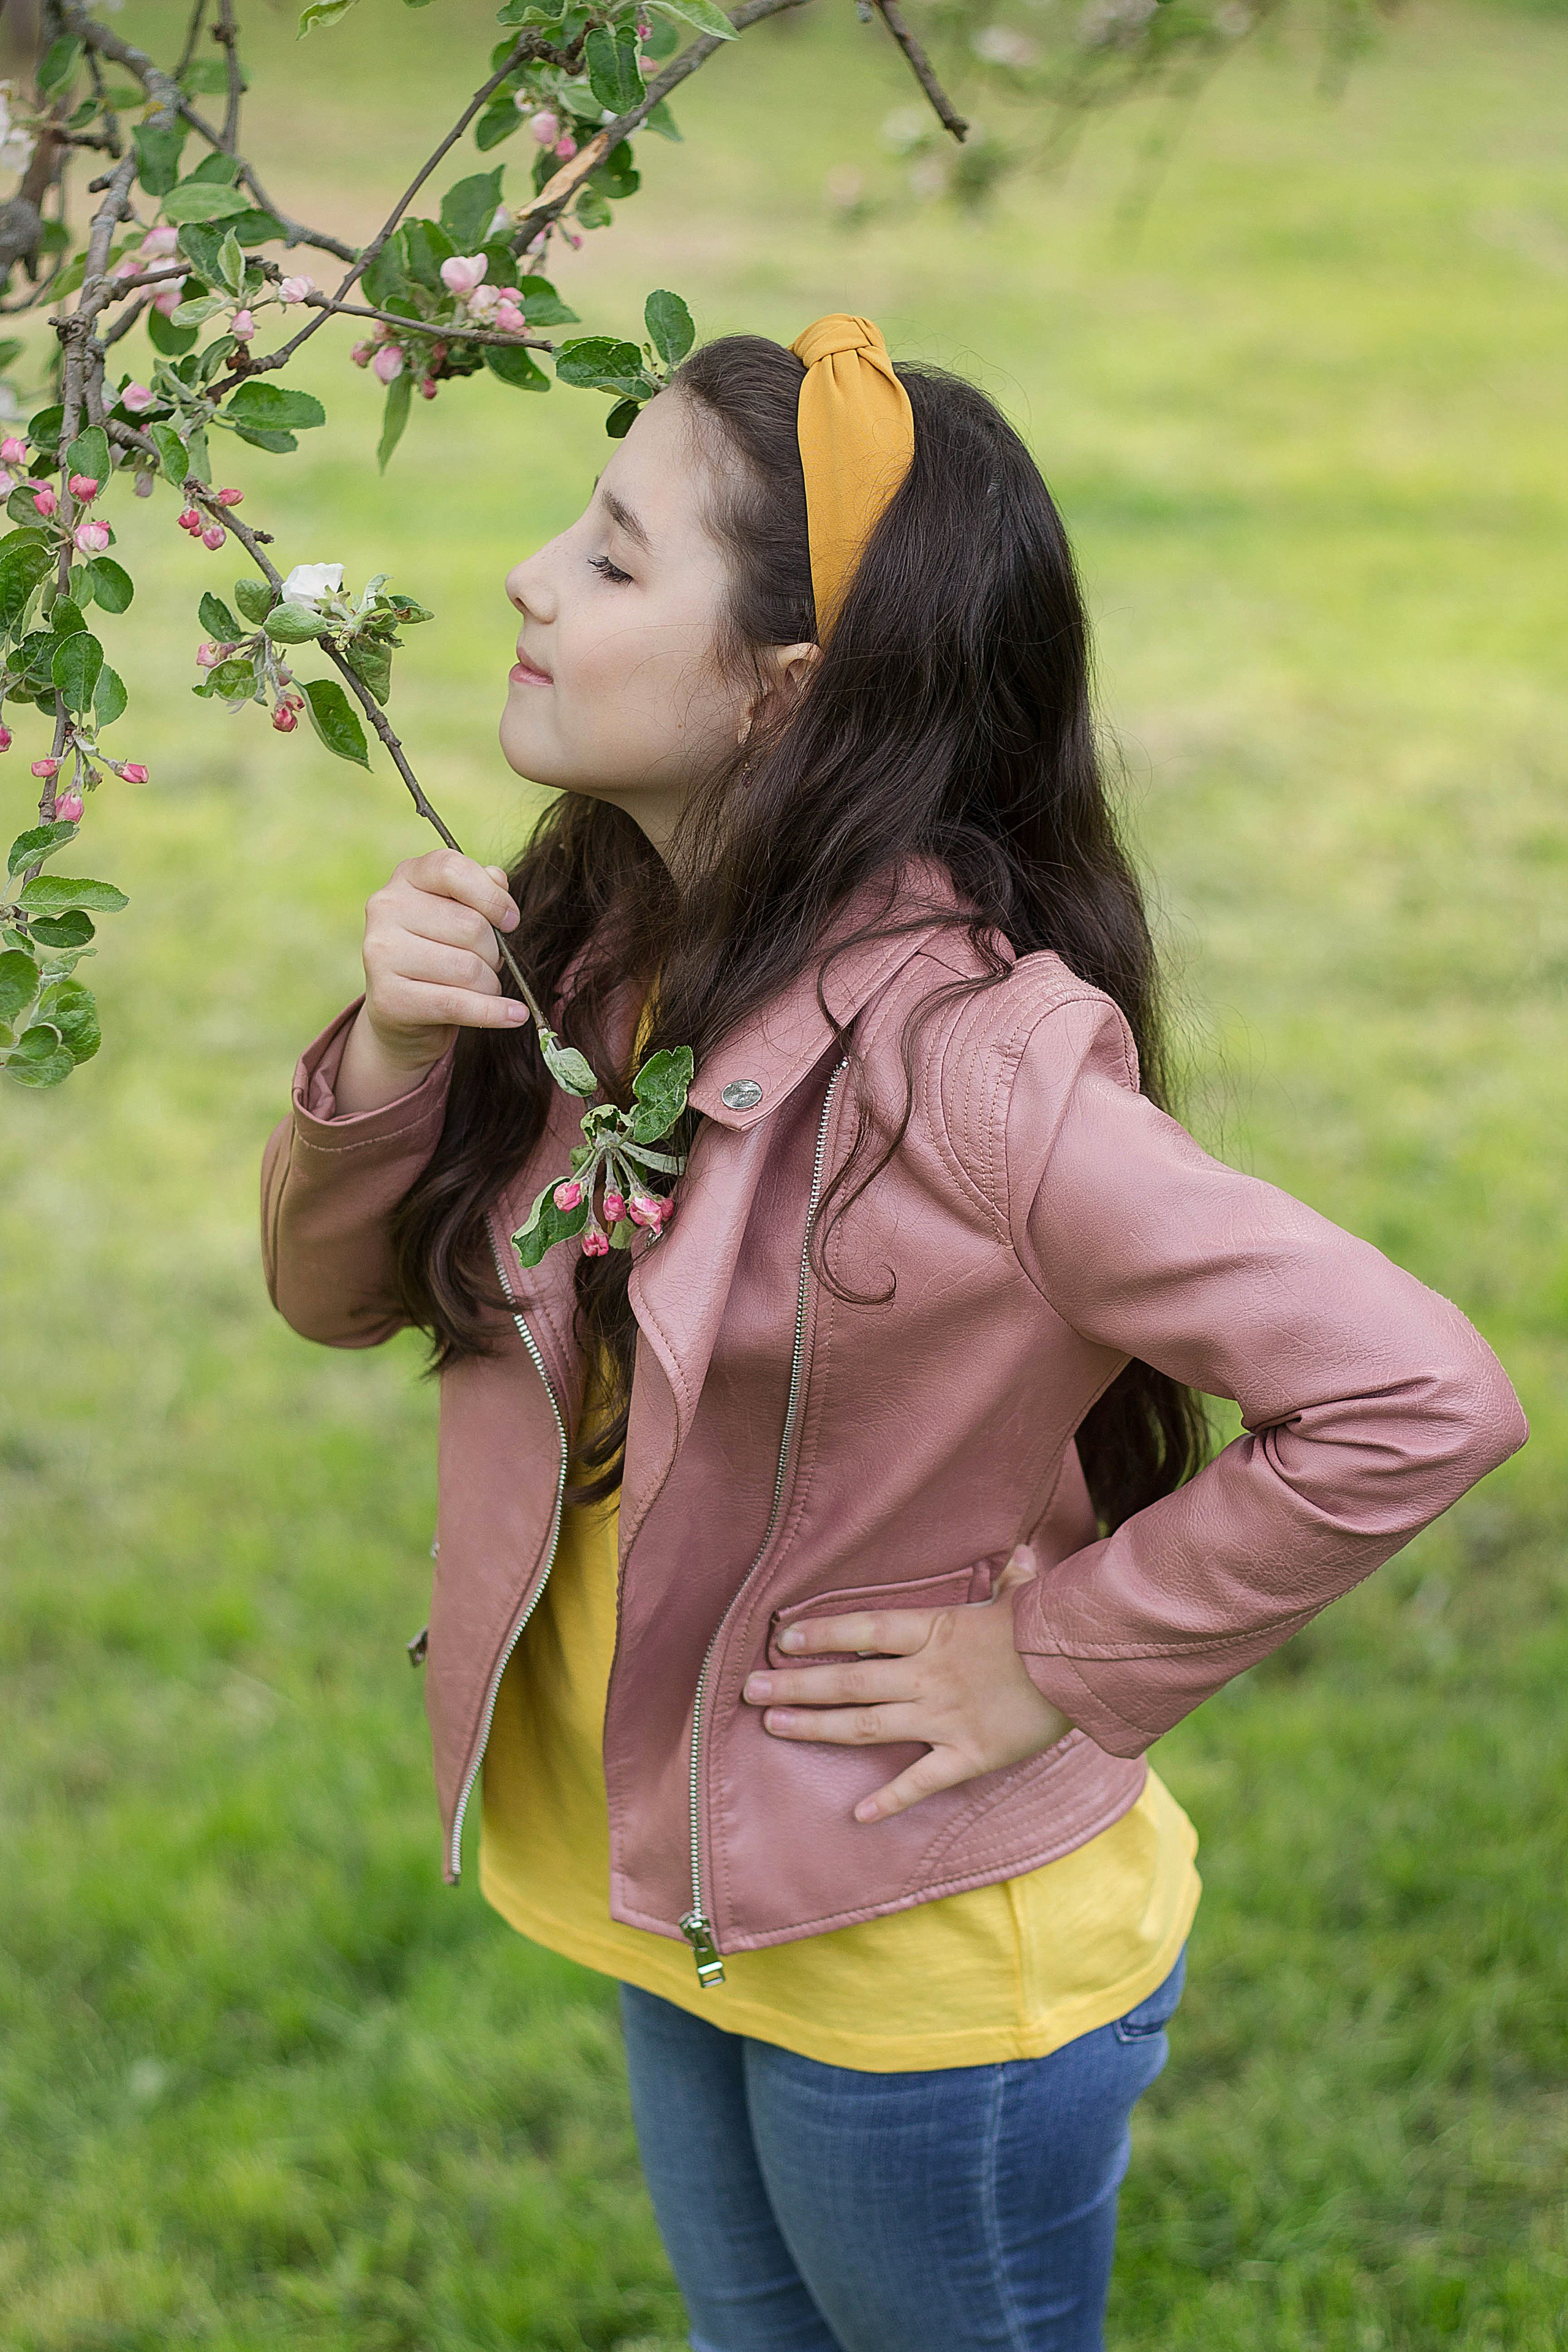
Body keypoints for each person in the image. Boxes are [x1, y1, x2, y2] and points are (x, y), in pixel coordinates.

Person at [261, 317, 1526, 2351]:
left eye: (612, 555)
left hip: (922, 1964)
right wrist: (398, 1057)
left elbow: (1415, 1393)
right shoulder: (590, 956)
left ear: (781, 691)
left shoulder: (975, 1071)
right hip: (686, 1889)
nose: (525, 577)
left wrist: (1060, 1655)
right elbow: (340, 1298)